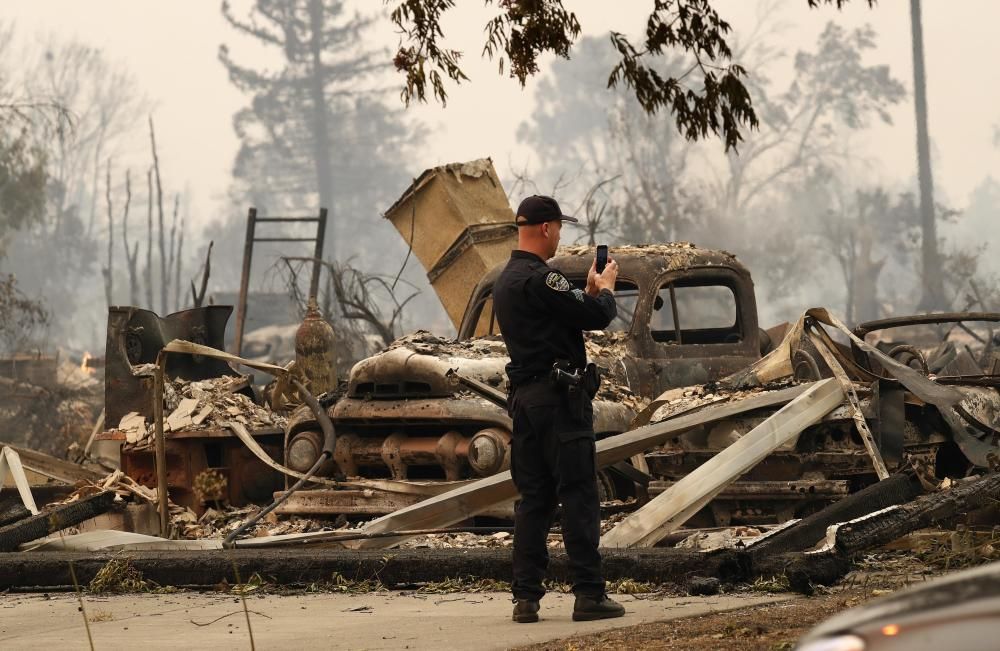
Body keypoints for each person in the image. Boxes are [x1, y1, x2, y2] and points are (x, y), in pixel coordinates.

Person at [493, 194, 626, 624]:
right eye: (560, 229)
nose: (559, 238)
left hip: (525, 403)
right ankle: (589, 593)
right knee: (579, 496)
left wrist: (585, 293)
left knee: (534, 500)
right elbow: (598, 317)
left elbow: (561, 318)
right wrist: (604, 291)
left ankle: (526, 598)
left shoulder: (505, 280)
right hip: (560, 403)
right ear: (547, 228)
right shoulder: (541, 278)